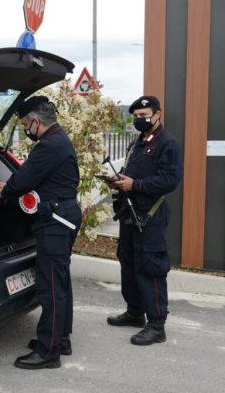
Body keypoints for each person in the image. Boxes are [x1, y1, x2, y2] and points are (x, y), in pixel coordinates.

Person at [0, 96, 82, 370]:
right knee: (60, 282)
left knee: (51, 287)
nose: (25, 130)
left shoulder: (49, 145)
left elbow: (24, 179)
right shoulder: (58, 139)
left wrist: (4, 190)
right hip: (62, 217)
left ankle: (48, 351)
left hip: (55, 222)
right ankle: (60, 339)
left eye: (24, 125)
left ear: (35, 120)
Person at [105, 95, 182, 345]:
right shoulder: (137, 142)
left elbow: (170, 180)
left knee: (151, 267)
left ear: (157, 114)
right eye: (136, 116)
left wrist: (134, 184)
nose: (139, 120)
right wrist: (118, 180)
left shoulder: (167, 143)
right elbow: (132, 173)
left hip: (151, 216)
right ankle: (135, 313)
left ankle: (157, 325)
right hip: (130, 214)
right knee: (128, 263)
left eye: (143, 115)